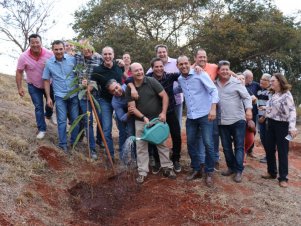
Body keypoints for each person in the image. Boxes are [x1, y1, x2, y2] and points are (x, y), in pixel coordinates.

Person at [128, 57, 182, 173]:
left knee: (163, 142)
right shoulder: (130, 87)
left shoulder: (152, 80)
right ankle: (143, 171)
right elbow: (132, 107)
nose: (139, 72)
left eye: (140, 69)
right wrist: (143, 117)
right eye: (136, 70)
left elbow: (165, 96)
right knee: (141, 146)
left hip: (163, 114)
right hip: (141, 120)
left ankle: (169, 165)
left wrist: (162, 113)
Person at [176, 55, 219, 187]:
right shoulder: (180, 79)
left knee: (208, 144)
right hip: (191, 117)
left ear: (190, 63)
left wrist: (213, 109)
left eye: (185, 63)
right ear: (177, 66)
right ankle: (196, 169)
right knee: (190, 143)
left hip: (205, 114)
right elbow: (177, 90)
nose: (183, 66)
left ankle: (209, 171)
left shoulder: (200, 73)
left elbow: (213, 90)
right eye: (180, 64)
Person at [215, 60, 252, 183]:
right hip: (222, 122)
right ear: (218, 71)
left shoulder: (237, 83)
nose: (224, 71)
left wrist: (249, 110)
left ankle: (239, 171)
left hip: (238, 120)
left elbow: (246, 97)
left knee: (239, 147)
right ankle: (231, 168)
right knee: (226, 147)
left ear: (229, 70)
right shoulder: (214, 84)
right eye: (222, 69)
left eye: (227, 69)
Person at [16, 33, 56, 140]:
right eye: (32, 43)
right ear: (29, 44)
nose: (35, 45)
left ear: (41, 43)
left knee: (51, 103)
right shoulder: (23, 56)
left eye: (37, 42)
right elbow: (19, 72)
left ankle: (48, 114)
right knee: (38, 107)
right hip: (33, 85)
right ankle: (42, 129)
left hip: (50, 84)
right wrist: (19, 87)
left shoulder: (50, 54)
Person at [43, 40, 79, 153]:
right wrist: (48, 97)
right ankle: (62, 144)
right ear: (52, 50)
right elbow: (46, 80)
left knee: (75, 120)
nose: (58, 51)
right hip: (60, 96)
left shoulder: (72, 59)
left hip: (73, 95)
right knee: (61, 120)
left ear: (64, 49)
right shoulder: (49, 63)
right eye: (56, 49)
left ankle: (74, 142)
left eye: (60, 49)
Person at [262, 73, 297, 188]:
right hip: (270, 124)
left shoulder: (287, 94)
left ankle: (283, 178)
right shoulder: (273, 94)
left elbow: (292, 111)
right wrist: (265, 112)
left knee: (282, 151)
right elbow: (273, 108)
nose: (270, 83)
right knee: (269, 148)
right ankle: (271, 172)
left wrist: (292, 127)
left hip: (282, 126)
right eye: (270, 81)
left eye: (273, 81)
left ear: (279, 81)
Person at [91, 46, 126, 159]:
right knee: (106, 129)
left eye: (109, 54)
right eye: (105, 54)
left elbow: (125, 79)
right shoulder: (97, 70)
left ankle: (123, 153)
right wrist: (87, 86)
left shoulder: (119, 67)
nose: (107, 56)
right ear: (102, 56)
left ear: (113, 55)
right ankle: (110, 155)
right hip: (105, 101)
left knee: (122, 127)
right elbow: (92, 85)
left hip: (120, 101)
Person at [192, 48, 220, 171]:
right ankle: (202, 160)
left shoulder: (214, 67)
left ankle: (215, 159)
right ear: (195, 58)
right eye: (200, 57)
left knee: (213, 135)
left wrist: (239, 77)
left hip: (212, 106)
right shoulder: (192, 69)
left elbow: (226, 71)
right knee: (199, 136)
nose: (202, 59)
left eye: (204, 57)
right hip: (199, 109)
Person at [74, 41, 103, 159]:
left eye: (87, 47)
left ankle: (100, 142)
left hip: (97, 95)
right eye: (82, 47)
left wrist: (92, 84)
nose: (85, 49)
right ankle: (92, 149)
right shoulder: (77, 57)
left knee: (101, 120)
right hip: (84, 97)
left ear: (91, 47)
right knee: (88, 122)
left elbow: (103, 74)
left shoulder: (99, 58)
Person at [147, 44, 183, 128]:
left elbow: (185, 72)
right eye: (159, 52)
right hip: (159, 104)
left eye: (164, 52)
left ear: (167, 52)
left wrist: (174, 91)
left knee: (177, 126)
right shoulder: (151, 69)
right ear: (156, 54)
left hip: (176, 100)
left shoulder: (176, 62)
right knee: (161, 127)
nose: (162, 54)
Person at [106, 79, 136, 159]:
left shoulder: (128, 87)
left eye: (116, 87)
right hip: (127, 115)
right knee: (127, 133)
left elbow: (131, 78)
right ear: (110, 93)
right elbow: (122, 118)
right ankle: (126, 158)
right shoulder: (114, 102)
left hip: (139, 110)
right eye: (113, 91)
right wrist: (129, 113)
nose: (116, 91)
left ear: (119, 84)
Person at [243, 69, 260, 158]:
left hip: (252, 113)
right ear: (246, 77)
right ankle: (242, 150)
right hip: (241, 114)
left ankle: (250, 150)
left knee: (252, 131)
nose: (252, 79)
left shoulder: (255, 85)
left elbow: (262, 92)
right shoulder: (240, 85)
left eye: (252, 77)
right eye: (250, 78)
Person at [257, 73, 272, 163]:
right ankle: (268, 155)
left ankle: (269, 157)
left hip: (266, 118)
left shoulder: (270, 92)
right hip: (259, 117)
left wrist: (263, 116)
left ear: (269, 82)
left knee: (267, 138)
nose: (261, 81)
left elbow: (271, 106)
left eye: (264, 80)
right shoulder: (259, 91)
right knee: (262, 137)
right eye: (261, 79)